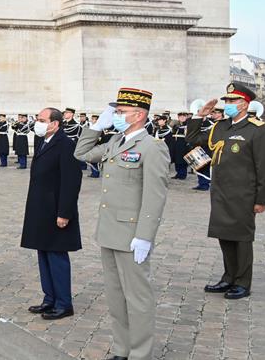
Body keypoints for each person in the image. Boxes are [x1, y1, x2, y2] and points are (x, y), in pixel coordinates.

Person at [75, 87, 169, 360]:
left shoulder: (152, 148)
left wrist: (145, 236)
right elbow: (81, 154)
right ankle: (122, 348)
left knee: (138, 299)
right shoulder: (116, 141)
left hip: (132, 234)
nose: (116, 116)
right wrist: (95, 127)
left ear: (138, 115)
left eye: (121, 112)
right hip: (109, 231)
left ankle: (140, 353)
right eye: (115, 112)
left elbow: (155, 196)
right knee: (116, 297)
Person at [186, 82, 265, 300]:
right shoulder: (221, 127)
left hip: (244, 194)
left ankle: (242, 282)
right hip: (221, 191)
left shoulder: (257, 130)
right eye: (227, 101)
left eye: (233, 101)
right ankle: (228, 277)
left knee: (241, 238)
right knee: (224, 235)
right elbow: (193, 140)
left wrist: (262, 199)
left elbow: (264, 167)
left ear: (245, 104)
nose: (228, 104)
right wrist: (199, 115)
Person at [22, 107, 82, 321]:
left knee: (57, 255)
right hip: (40, 210)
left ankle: (64, 303)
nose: (37, 122)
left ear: (54, 123)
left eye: (41, 119)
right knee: (43, 253)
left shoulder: (66, 145)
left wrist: (64, 212)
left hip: (57, 210)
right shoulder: (42, 142)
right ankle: (49, 298)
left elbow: (70, 182)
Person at [171, 112, 190, 180]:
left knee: (182, 160)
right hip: (176, 145)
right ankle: (178, 173)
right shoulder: (176, 126)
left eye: (184, 116)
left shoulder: (188, 125)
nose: (182, 117)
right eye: (180, 116)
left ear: (186, 117)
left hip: (184, 145)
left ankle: (183, 174)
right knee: (176, 159)